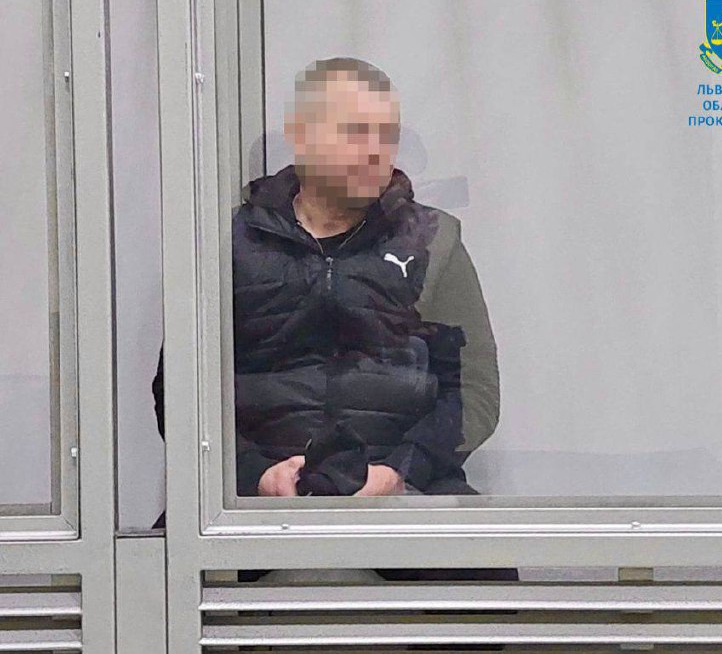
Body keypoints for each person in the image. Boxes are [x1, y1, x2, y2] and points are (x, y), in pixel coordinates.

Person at [152, 56, 517, 582]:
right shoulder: (227, 243)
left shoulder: (433, 242)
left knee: (490, 583)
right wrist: (254, 474)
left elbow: (473, 390)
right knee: (154, 582)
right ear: (300, 136)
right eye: (354, 131)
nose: (374, 151)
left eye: (386, 135)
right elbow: (179, 390)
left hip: (402, 485)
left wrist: (399, 472)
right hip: (246, 494)